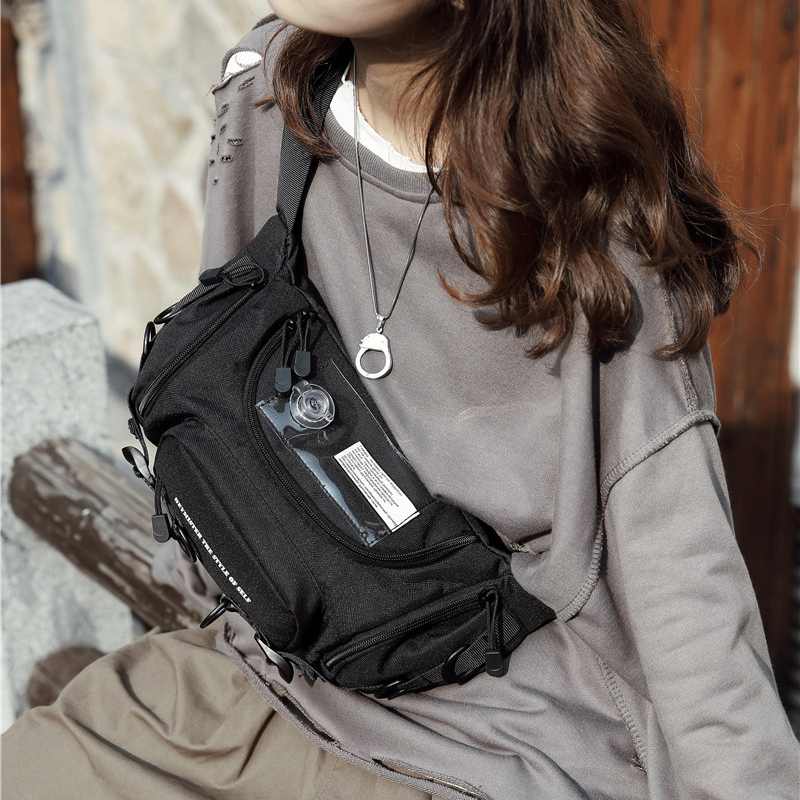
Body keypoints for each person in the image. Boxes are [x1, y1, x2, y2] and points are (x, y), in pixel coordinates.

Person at [3, 1, 799, 798]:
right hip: (271, 672)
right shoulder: (269, 90)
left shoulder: (589, 231)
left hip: (494, 745)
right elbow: (227, 370)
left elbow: (688, 594)